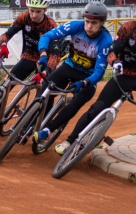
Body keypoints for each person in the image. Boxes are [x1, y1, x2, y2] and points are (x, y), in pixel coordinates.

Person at [55, 0, 136, 158]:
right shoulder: (128, 28)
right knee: (98, 107)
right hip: (124, 75)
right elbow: (112, 51)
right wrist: (115, 62)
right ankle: (69, 141)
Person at [32, 2, 113, 153]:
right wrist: (43, 54)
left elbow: (99, 73)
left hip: (88, 77)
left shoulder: (106, 41)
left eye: (94, 23)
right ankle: (36, 121)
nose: (89, 26)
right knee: (45, 91)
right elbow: (48, 36)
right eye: (87, 21)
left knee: (75, 103)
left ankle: (48, 131)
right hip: (68, 67)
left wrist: (84, 83)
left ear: (102, 23)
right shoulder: (76, 26)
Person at [0, 0, 59, 89]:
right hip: (29, 56)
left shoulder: (51, 25)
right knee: (7, 83)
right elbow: (7, 34)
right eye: (31, 11)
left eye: (38, 11)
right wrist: (3, 45)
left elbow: (55, 55)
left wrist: (46, 71)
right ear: (28, 8)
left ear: (45, 9)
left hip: (46, 59)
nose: (34, 15)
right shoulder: (24, 17)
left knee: (48, 92)